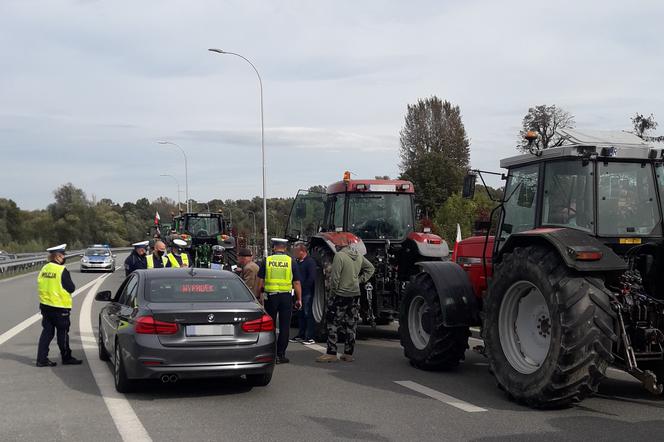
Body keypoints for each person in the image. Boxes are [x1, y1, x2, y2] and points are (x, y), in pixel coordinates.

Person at [316, 238, 374, 363]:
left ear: (340, 245)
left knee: (333, 323)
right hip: (355, 293)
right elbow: (370, 268)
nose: (335, 245)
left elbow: (335, 278)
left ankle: (331, 352)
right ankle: (348, 353)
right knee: (351, 323)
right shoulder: (358, 256)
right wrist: (360, 280)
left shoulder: (339, 256)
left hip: (341, 294)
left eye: (336, 243)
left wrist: (332, 294)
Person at [257, 238, 303, 364]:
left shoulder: (267, 260)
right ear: (285, 248)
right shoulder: (290, 261)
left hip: (270, 297)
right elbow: (297, 282)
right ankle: (280, 355)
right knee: (284, 327)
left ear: (273, 247)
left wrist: (258, 296)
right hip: (286, 297)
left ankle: (270, 353)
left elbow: (260, 281)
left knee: (269, 326)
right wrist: (299, 299)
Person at [36, 244, 82, 367]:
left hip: (45, 306)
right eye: (63, 255)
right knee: (63, 333)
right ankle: (66, 357)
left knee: (47, 333)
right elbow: (71, 288)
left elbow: (40, 284)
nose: (64, 258)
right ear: (58, 256)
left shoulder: (44, 268)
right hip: (60, 307)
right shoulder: (61, 270)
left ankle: (41, 359)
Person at [290, 242, 316, 345]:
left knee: (307, 313)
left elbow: (311, 277)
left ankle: (310, 336)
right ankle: (301, 334)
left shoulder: (310, 262)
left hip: (306, 292)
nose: (295, 253)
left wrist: (304, 288)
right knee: (300, 314)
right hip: (298, 292)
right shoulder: (297, 262)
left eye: (296, 251)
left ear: (303, 251)